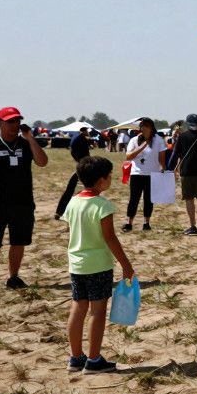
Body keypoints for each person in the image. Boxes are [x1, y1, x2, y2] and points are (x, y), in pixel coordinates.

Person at [62, 156, 135, 373]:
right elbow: (110, 238)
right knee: (97, 311)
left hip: (76, 264)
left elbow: (71, 231)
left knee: (78, 306)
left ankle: (75, 357)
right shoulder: (103, 205)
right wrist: (126, 265)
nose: (111, 178)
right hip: (98, 265)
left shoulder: (73, 202)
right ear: (101, 180)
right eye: (109, 175)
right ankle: (93, 360)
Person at [0, 107, 49, 289]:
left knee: (18, 241)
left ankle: (13, 277)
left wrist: (30, 138)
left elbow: (42, 162)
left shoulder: (25, 143)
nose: (15, 125)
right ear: (0, 123)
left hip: (22, 203)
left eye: (17, 121)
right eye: (10, 121)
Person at [122, 118, 166, 232]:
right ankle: (129, 223)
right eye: (142, 126)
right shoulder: (134, 140)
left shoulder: (158, 140)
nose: (144, 128)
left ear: (151, 128)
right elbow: (128, 156)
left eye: (146, 126)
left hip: (152, 174)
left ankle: (146, 223)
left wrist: (162, 167)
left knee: (149, 199)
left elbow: (162, 156)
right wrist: (142, 146)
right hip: (137, 174)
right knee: (134, 199)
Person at [55, 126, 93, 219]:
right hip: (84, 166)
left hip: (82, 165)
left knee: (70, 189)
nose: (88, 132)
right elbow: (80, 152)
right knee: (83, 190)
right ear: (83, 131)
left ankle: (60, 212)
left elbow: (73, 151)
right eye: (86, 130)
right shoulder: (81, 139)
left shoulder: (77, 139)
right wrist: (82, 162)